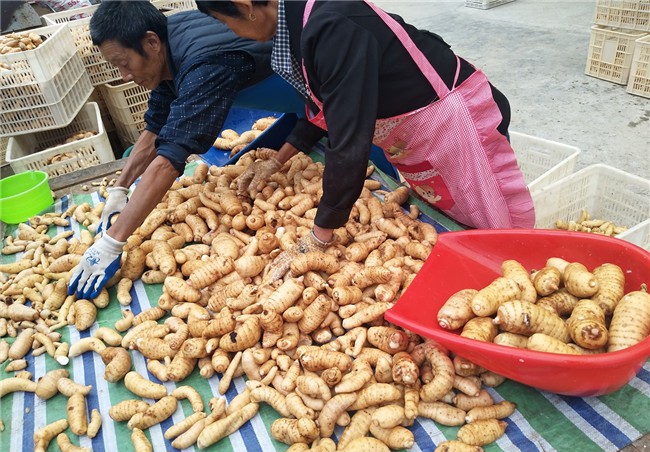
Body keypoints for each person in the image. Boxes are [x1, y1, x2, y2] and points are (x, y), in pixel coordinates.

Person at [196, 0, 536, 279]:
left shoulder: (329, 27)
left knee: (502, 235)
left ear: (245, 6)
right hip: (419, 133)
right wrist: (276, 159)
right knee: (453, 218)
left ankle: (527, 276)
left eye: (227, 24)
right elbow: (328, 107)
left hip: (451, 121)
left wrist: (318, 238)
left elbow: (348, 141)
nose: (232, 33)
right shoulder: (301, 25)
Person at [67, 0, 323, 298]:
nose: (124, 75)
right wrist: (120, 189)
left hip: (318, 89)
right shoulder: (166, 43)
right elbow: (156, 125)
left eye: (124, 63)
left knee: (356, 137)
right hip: (304, 101)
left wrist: (112, 242)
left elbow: (171, 157)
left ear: (151, 42)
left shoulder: (205, 64)